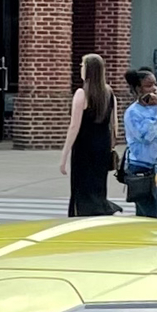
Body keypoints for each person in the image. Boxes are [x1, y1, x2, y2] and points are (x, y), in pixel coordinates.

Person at [59, 52, 117, 217]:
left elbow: (74, 126)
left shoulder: (81, 94)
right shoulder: (109, 93)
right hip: (102, 145)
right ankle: (100, 210)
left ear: (89, 70)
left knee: (81, 186)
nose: (80, 68)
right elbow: (114, 125)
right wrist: (111, 146)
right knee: (98, 185)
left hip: (84, 147)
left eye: (82, 66)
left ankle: (81, 213)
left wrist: (64, 154)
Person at [121, 69, 157, 219]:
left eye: (155, 84)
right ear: (138, 89)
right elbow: (147, 136)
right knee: (148, 214)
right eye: (148, 85)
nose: (154, 89)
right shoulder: (133, 112)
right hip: (142, 167)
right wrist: (153, 111)